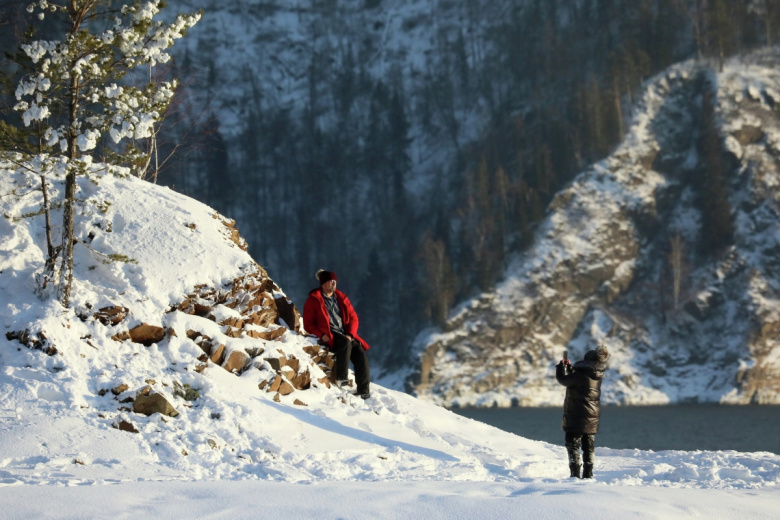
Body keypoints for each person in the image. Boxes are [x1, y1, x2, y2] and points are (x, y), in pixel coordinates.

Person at [303, 269, 371, 399]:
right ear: (323, 284)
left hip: (345, 333)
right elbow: (308, 324)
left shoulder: (341, 298)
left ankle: (364, 390)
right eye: (330, 281)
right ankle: (342, 378)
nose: (333, 284)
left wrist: (350, 334)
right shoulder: (314, 300)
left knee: (360, 352)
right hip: (331, 334)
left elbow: (354, 318)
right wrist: (321, 334)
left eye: (335, 281)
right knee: (345, 343)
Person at [555, 344, 609, 479]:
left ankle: (575, 476)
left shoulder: (579, 375)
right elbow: (582, 378)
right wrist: (571, 369)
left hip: (576, 417)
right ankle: (588, 475)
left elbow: (563, 380)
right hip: (592, 417)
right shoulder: (598, 374)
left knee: (573, 446)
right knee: (589, 447)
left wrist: (561, 367)